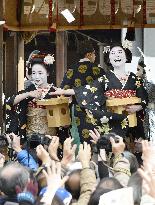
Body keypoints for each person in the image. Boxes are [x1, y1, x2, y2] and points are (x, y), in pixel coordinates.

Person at [50, 43, 148, 142]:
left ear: (126, 57)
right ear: (109, 59)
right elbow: (87, 89)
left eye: (120, 52)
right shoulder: (105, 78)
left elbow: (144, 96)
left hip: (133, 119)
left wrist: (138, 106)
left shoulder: (134, 78)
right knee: (113, 149)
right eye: (113, 53)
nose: (117, 55)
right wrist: (63, 91)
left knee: (135, 150)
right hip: (113, 121)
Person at [5, 51, 56, 144]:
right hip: (30, 138)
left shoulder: (55, 92)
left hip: (50, 139)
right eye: (33, 73)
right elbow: (9, 103)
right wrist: (28, 94)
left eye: (40, 73)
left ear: (48, 73)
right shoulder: (29, 91)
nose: (36, 77)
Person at [60, 40, 105, 143]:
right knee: (97, 140)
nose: (95, 56)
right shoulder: (98, 70)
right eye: (94, 54)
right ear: (89, 54)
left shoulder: (71, 71)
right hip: (96, 110)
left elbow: (64, 91)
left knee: (81, 140)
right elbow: (105, 89)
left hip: (77, 111)